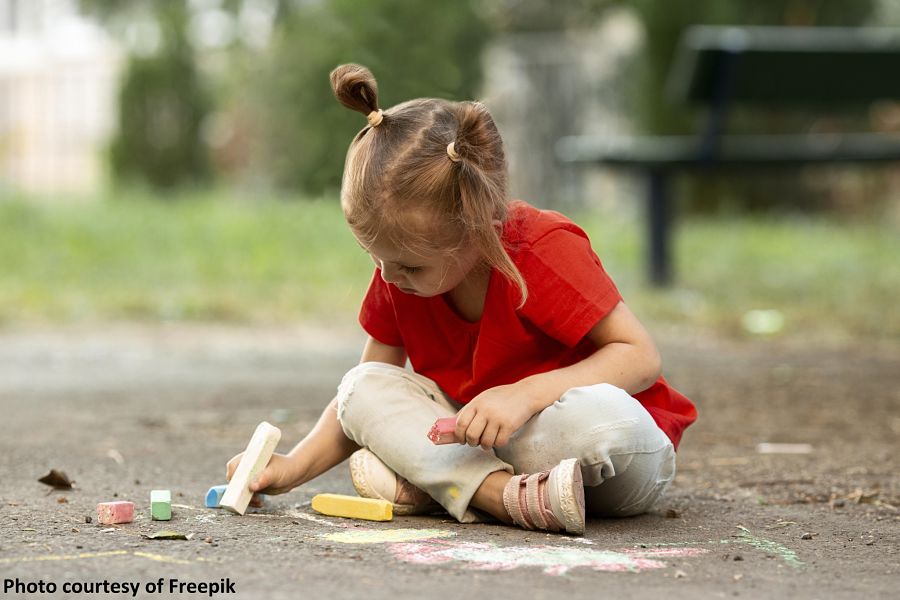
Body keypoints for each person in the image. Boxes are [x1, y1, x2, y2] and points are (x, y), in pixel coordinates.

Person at [227, 63, 697, 535]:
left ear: (478, 227)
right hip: (483, 449)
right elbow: (367, 393)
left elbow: (640, 357)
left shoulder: (541, 248)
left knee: (597, 419)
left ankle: (438, 483)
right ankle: (499, 496)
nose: (390, 277)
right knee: (361, 385)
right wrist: (292, 467)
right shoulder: (398, 272)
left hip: (597, 454)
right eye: (374, 257)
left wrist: (523, 396)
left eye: (410, 265)